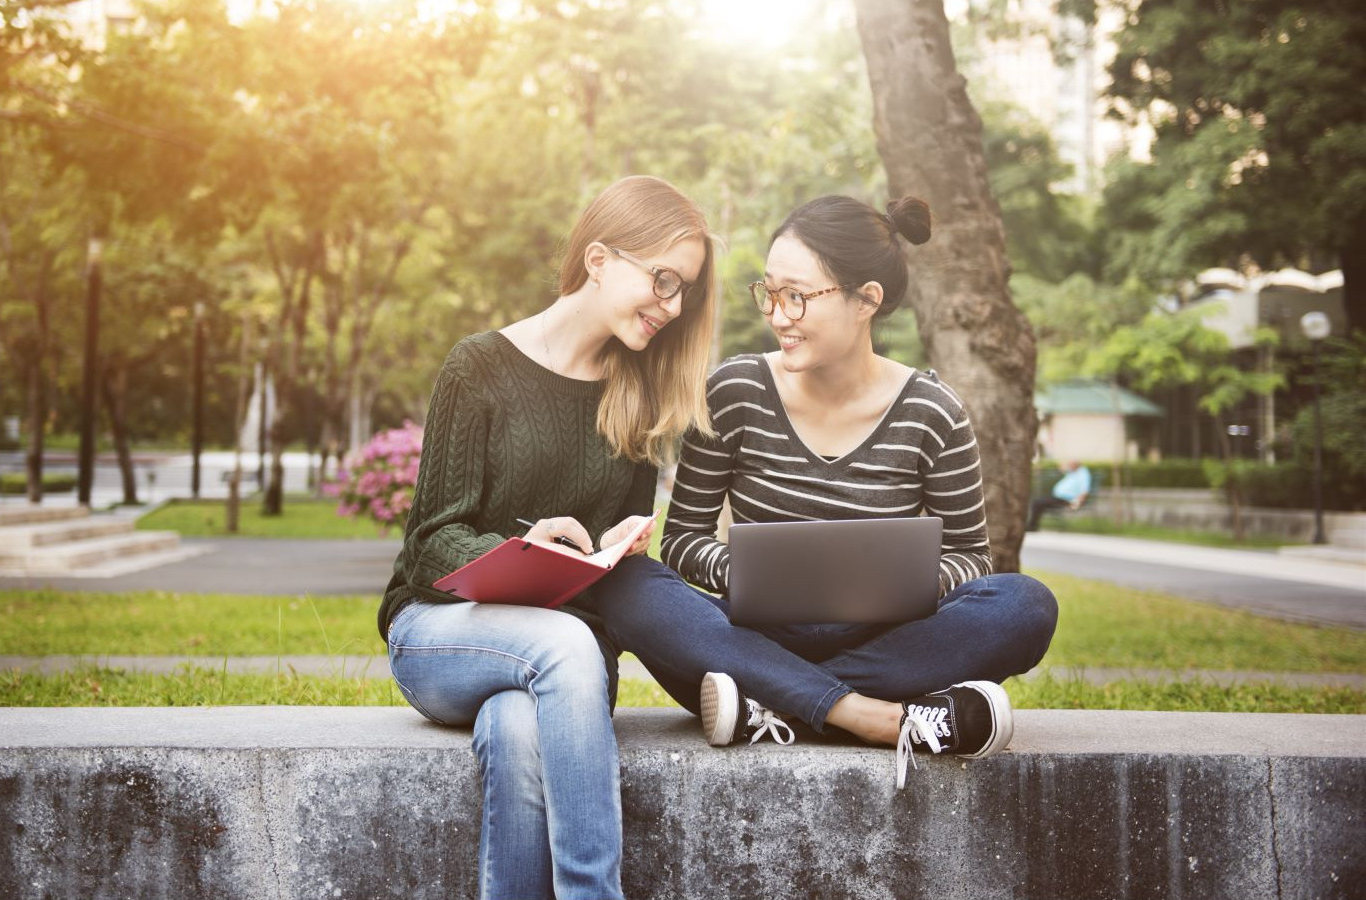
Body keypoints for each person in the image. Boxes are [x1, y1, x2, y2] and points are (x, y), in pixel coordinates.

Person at [594, 194, 1058, 788]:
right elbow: (683, 540)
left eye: (797, 296)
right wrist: (752, 574)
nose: (778, 315)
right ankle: (872, 716)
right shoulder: (734, 390)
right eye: (769, 293)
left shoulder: (932, 412)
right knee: (628, 584)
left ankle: (772, 708)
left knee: (1025, 605)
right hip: (749, 635)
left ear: (867, 300)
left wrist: (894, 583)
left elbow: (970, 557)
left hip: (880, 644)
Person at [378, 175, 718, 899]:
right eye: (662, 280)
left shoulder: (635, 397)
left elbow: (606, 590)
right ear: (599, 259)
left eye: (683, 291)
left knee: (516, 728)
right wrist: (527, 550)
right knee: (561, 647)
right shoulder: (478, 367)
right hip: (441, 635)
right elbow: (430, 544)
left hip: (564, 663)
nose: (672, 306)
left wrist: (613, 555)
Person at [1027, 459, 1092, 531]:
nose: (1069, 466)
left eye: (1071, 464)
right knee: (1038, 502)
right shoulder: (1073, 472)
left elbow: (1084, 491)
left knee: (1037, 503)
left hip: (1066, 500)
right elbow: (1061, 468)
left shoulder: (1082, 474)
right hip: (1058, 498)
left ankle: (1032, 526)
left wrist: (1077, 502)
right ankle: (1032, 525)